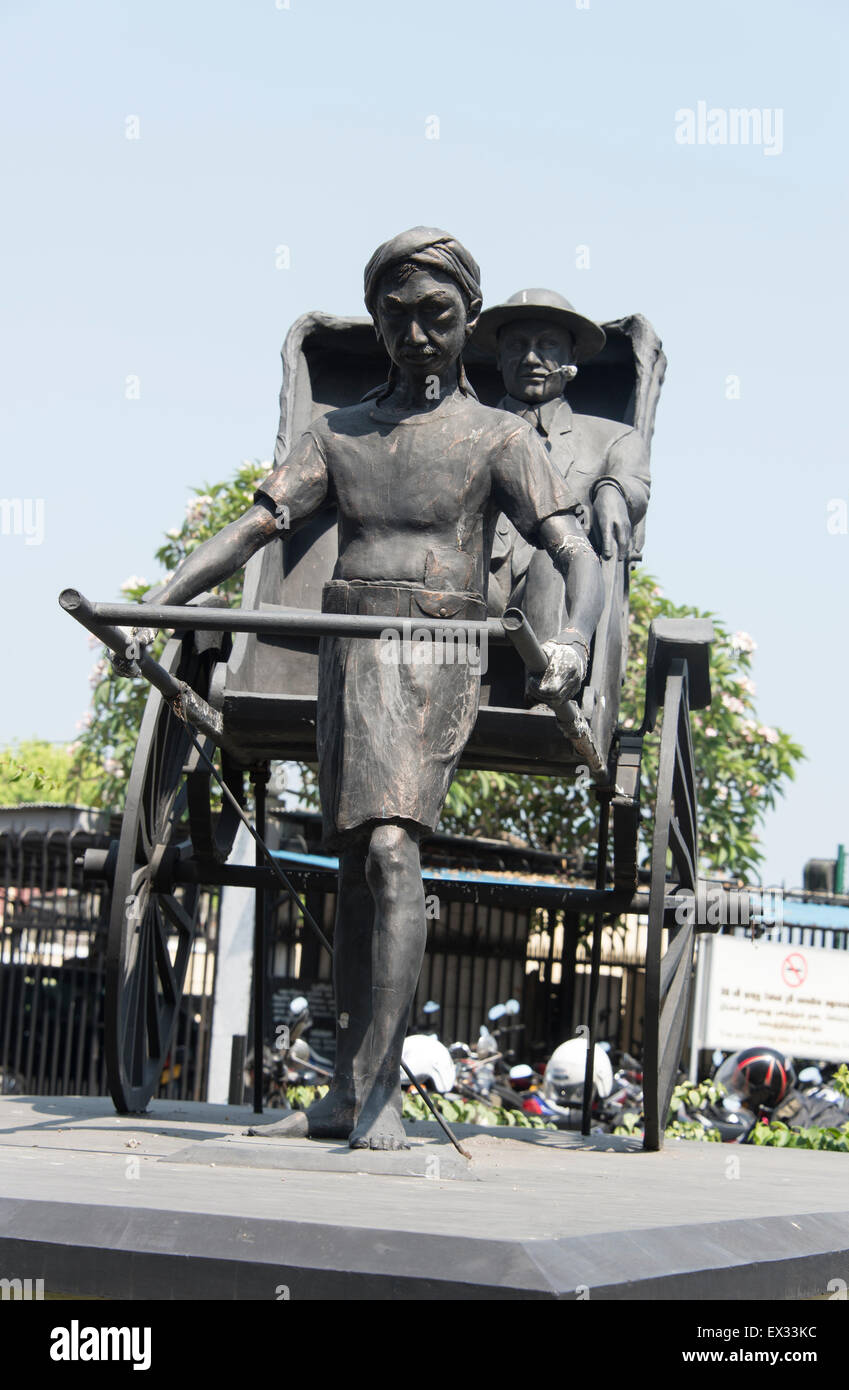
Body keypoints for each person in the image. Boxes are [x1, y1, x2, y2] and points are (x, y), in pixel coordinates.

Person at [122, 229, 604, 1150]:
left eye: (437, 316)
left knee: (389, 847)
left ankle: (379, 1089)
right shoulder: (335, 435)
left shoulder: (499, 438)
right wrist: (160, 601)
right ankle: (346, 1091)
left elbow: (570, 552)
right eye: (398, 317)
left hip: (438, 649)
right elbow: (258, 525)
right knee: (353, 860)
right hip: (350, 650)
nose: (417, 335)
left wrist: (572, 639)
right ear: (376, 322)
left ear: (466, 322)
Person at [473, 289, 650, 641]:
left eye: (548, 345)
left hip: (556, 595)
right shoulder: (465, 431)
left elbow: (634, 482)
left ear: (572, 358)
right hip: (473, 586)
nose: (531, 358)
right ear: (498, 358)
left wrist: (611, 489)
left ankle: (549, 690)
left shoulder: (613, 438)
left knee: (557, 559)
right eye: (516, 345)